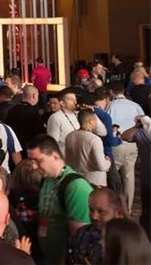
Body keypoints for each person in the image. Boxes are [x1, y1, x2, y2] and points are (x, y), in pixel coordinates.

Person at [26, 134, 92, 264]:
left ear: (55, 156)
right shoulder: (47, 180)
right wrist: (34, 215)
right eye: (31, 161)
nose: (34, 167)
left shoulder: (76, 187)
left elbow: (79, 237)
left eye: (38, 161)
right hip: (47, 256)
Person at [107, 81, 144, 215]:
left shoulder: (110, 106)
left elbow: (107, 126)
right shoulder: (135, 105)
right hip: (133, 144)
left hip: (116, 144)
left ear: (111, 92)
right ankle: (127, 208)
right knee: (129, 176)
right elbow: (143, 123)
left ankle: (113, 208)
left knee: (112, 177)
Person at [67, 187, 125, 265]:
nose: (94, 216)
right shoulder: (81, 234)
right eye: (91, 210)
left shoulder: (127, 241)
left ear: (119, 213)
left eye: (101, 211)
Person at [64, 108, 110, 187]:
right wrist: (108, 161)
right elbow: (101, 166)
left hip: (77, 180)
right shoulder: (94, 139)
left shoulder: (69, 136)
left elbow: (67, 161)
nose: (96, 122)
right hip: (95, 182)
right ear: (90, 121)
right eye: (95, 120)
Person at [46, 90, 80, 155]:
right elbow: (52, 143)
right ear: (62, 103)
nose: (75, 102)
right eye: (71, 99)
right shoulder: (55, 117)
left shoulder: (76, 115)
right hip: (64, 156)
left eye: (75, 100)